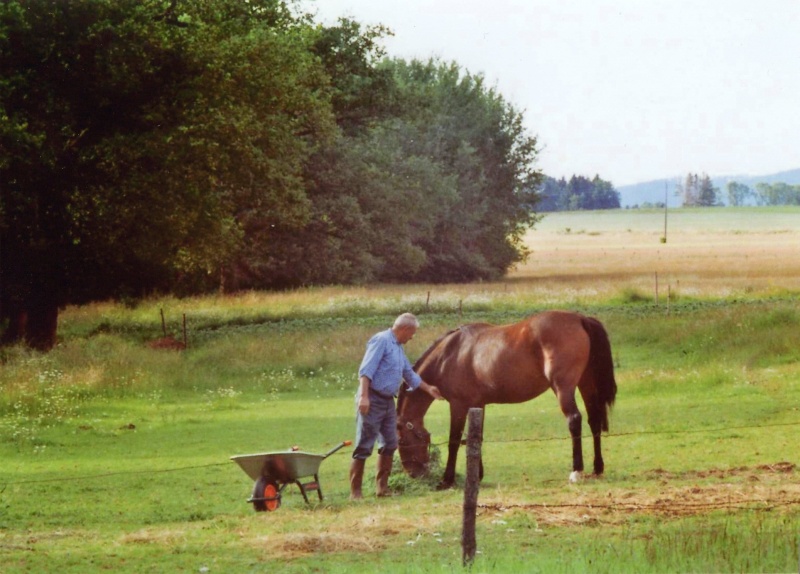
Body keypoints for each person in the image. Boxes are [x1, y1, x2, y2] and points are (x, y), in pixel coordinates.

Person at [350, 312, 443, 499]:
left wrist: (428, 389)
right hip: (372, 399)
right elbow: (366, 371)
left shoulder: (398, 347)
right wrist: (364, 397)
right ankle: (356, 492)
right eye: (412, 333)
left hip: (387, 402)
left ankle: (382, 489)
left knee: (390, 443)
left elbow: (408, 373)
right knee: (364, 444)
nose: (412, 337)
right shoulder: (381, 341)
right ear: (405, 329)